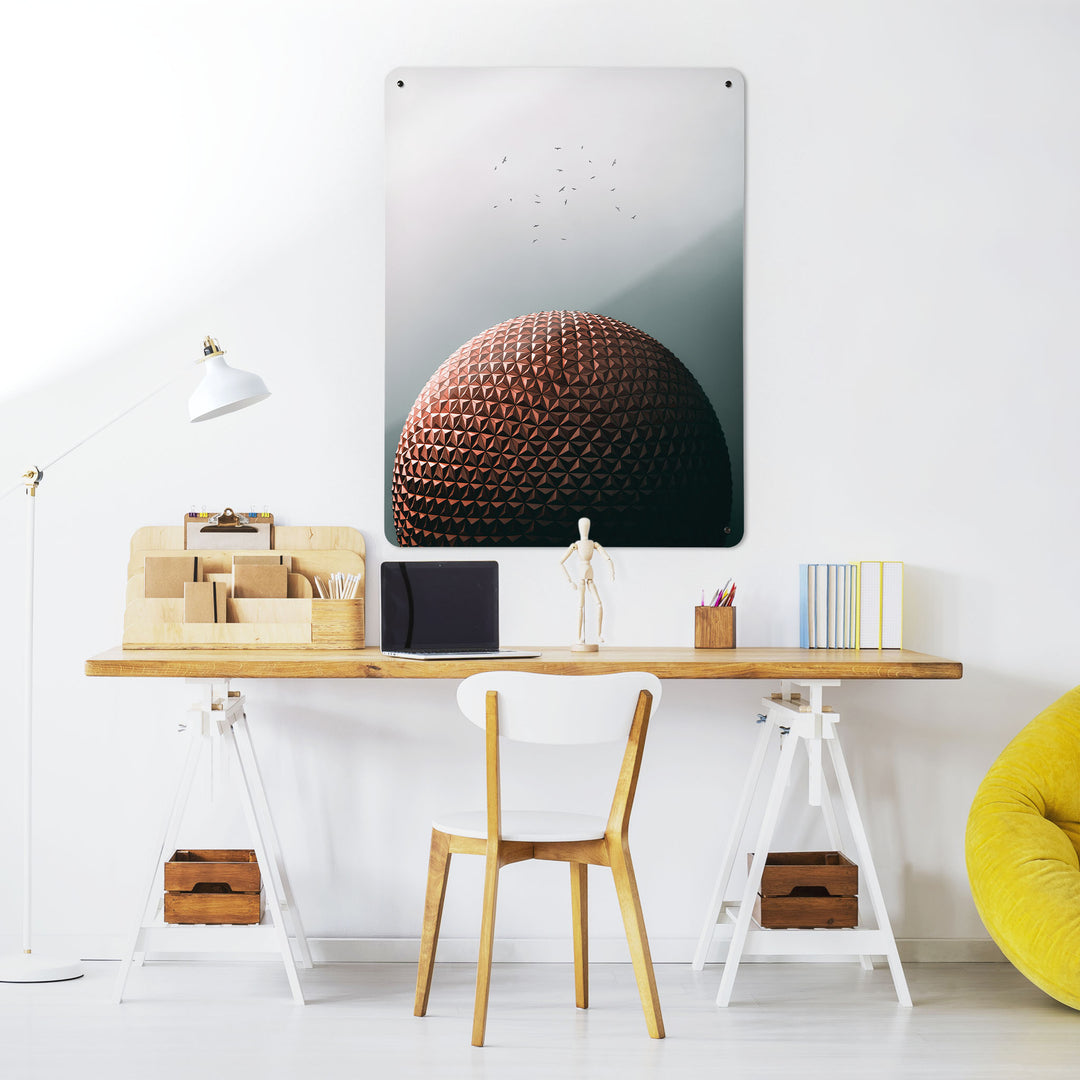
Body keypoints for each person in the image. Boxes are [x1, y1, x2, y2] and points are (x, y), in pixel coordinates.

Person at [559, 517, 615, 650]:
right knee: (580, 606)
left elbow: (607, 557)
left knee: (599, 603)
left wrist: (612, 571)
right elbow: (561, 562)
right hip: (581, 578)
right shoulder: (576, 545)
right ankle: (579, 637)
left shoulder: (593, 544)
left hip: (590, 577)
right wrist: (569, 581)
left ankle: (599, 634)